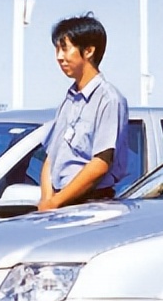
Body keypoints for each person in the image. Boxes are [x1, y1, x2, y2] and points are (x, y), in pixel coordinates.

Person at [39, 13, 129, 211]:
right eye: (57, 49)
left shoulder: (108, 99)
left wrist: (56, 202)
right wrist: (47, 200)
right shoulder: (68, 100)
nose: (59, 57)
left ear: (88, 51)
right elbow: (51, 157)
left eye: (65, 48)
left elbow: (100, 163)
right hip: (59, 205)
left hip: (90, 206)